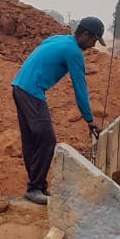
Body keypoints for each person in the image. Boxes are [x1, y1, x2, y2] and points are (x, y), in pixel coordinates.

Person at [10, 16, 105, 204]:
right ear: (85, 35)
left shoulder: (60, 39)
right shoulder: (74, 52)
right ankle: (35, 188)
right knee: (47, 139)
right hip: (32, 91)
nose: (93, 45)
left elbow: (42, 46)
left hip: (19, 86)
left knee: (32, 140)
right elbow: (80, 87)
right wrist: (89, 119)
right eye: (94, 40)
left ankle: (37, 187)